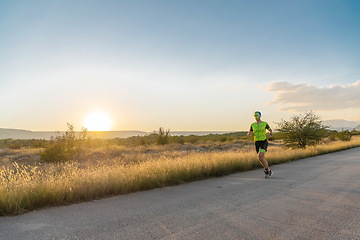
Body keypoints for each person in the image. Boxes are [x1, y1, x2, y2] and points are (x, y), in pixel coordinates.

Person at [247, 111, 273, 178]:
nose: (256, 117)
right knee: (261, 158)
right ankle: (269, 170)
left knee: (260, 156)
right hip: (257, 142)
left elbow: (270, 130)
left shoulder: (264, 123)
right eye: (255, 116)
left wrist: (270, 134)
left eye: (257, 115)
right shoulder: (253, 125)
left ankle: (266, 170)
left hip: (263, 141)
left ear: (260, 116)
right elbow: (250, 132)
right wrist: (249, 134)